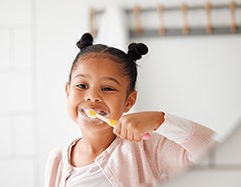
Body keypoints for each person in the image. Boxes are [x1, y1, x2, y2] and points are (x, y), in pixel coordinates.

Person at [44, 33, 216, 187]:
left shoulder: (148, 149)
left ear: (129, 101)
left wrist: (159, 120)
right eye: (82, 85)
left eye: (107, 88)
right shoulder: (57, 159)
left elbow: (217, 155)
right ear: (68, 91)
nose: (92, 96)